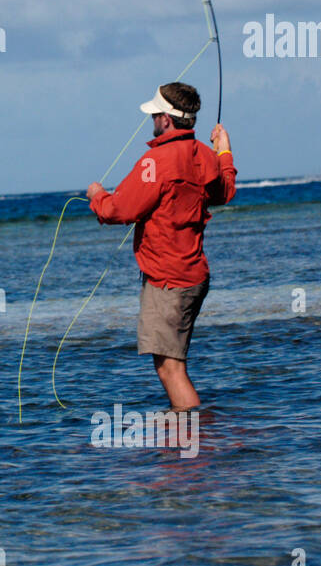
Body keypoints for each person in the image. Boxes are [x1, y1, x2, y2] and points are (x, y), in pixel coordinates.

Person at [85, 82, 235, 411]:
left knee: (170, 368)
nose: (151, 118)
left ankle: (191, 447)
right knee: (172, 365)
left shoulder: (156, 162)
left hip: (169, 280)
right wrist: (223, 149)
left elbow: (118, 211)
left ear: (166, 119)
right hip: (193, 275)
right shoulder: (205, 155)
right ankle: (191, 445)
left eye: (155, 113)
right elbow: (224, 191)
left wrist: (97, 196)